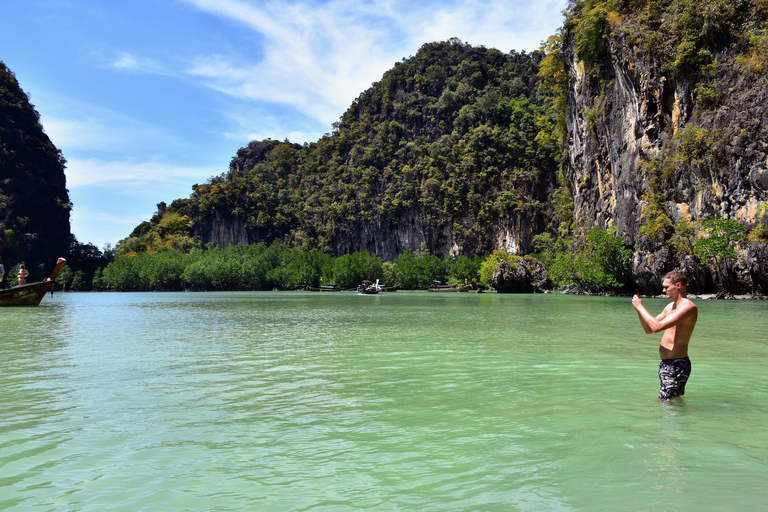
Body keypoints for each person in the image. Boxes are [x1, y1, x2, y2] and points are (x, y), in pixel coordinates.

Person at [632, 270, 698, 400]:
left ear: (678, 285)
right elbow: (649, 329)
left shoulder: (688, 308)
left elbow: (656, 327)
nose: (664, 290)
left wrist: (641, 308)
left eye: (666, 287)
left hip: (677, 364)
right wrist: (638, 310)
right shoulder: (669, 307)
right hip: (666, 363)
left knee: (664, 402)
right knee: (671, 403)